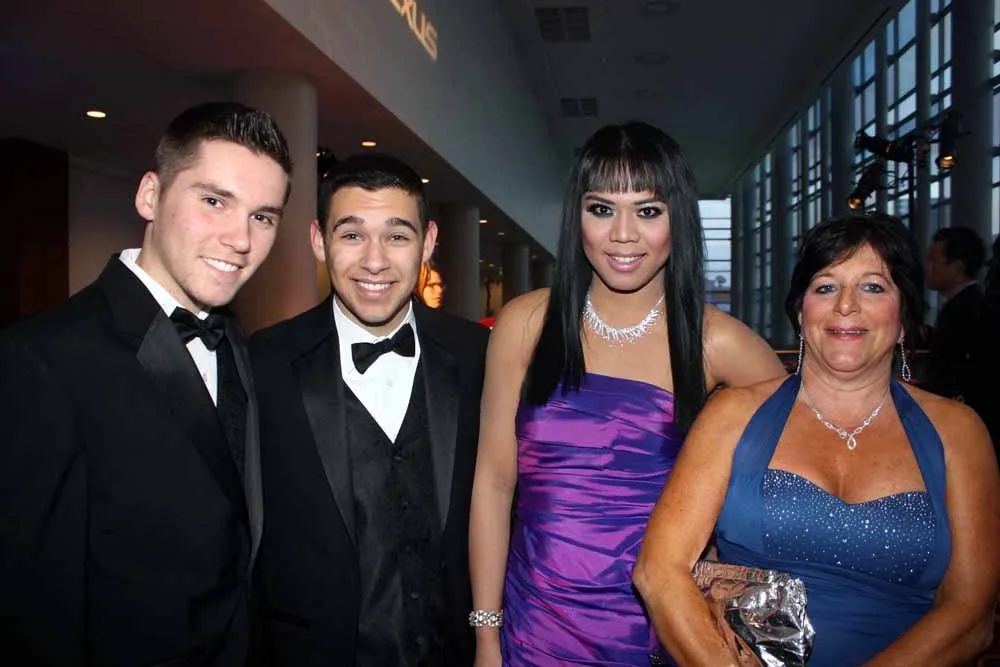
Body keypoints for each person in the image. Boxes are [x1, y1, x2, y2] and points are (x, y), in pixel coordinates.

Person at [468, 122, 786, 666]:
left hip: (652, 634)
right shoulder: (525, 323)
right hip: (533, 627)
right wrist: (486, 636)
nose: (622, 235)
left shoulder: (718, 343)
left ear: (677, 219)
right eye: (601, 209)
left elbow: (791, 478)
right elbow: (495, 484)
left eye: (648, 210)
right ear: (577, 217)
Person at [634, 214, 1000, 666]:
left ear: (904, 317)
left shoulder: (958, 433)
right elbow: (658, 572)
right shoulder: (733, 415)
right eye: (826, 287)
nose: (846, 305)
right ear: (800, 312)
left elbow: (971, 616)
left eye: (873, 287)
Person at [0, 102, 292, 665]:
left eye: (263, 217)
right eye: (214, 201)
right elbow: (31, 608)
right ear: (150, 196)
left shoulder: (240, 344)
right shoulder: (42, 359)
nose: (240, 238)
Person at [250, 153, 489, 666]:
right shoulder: (262, 363)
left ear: (428, 242)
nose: (374, 261)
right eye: (352, 234)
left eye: (397, 236)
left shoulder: (480, 356)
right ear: (319, 240)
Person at [925, 226, 1000, 451]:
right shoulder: (961, 306)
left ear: (956, 267)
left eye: (933, 260)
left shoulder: (968, 311)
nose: (927, 267)